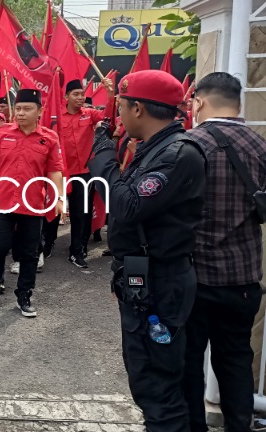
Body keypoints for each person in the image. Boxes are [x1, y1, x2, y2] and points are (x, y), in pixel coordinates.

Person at [87, 70, 206, 431]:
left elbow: (128, 206)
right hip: (146, 277)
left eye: (121, 106)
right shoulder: (155, 149)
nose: (118, 115)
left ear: (138, 108)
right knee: (163, 378)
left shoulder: (177, 154)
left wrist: (103, 158)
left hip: (161, 282)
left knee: (156, 383)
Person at [183, 72, 266, 432]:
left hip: (194, 279)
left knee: (187, 364)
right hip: (243, 279)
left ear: (198, 102)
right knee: (235, 361)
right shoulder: (259, 145)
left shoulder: (188, 145)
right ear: (239, 103)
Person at [0, 89, 64, 316]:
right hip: (2, 201)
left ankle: (24, 295)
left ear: (40, 111)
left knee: (29, 253)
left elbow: (55, 171)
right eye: (18, 109)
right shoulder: (3, 134)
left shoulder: (49, 139)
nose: (21, 113)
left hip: (32, 204)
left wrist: (59, 198)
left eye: (27, 109)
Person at [41, 79, 111, 268]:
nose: (80, 98)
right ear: (66, 97)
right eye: (76, 94)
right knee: (54, 210)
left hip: (83, 173)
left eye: (82, 94)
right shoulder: (57, 117)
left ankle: (76, 251)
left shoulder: (89, 114)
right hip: (60, 173)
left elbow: (108, 115)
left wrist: (111, 94)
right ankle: (48, 243)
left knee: (81, 214)